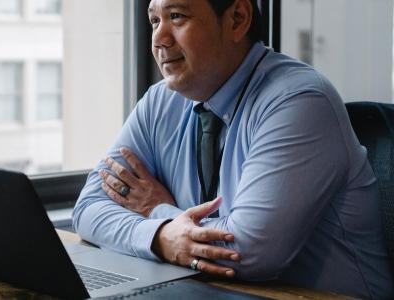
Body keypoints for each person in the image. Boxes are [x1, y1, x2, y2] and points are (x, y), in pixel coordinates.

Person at [71, 0, 393, 298]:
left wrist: (159, 213)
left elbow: (248, 252)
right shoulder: (160, 101)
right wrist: (161, 237)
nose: (159, 39)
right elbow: (88, 208)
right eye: (154, 21)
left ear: (237, 19)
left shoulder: (300, 101)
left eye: (177, 17)